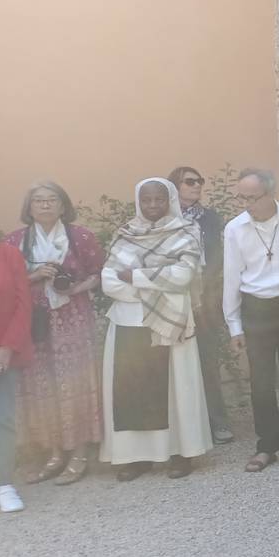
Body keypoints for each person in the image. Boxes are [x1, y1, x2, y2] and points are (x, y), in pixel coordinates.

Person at [99, 178, 213, 481]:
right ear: (138, 201)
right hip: (127, 323)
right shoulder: (124, 234)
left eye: (159, 200)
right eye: (146, 200)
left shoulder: (185, 232)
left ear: (169, 200)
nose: (152, 206)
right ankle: (136, 457)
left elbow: (182, 275)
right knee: (131, 392)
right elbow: (108, 282)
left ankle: (180, 453)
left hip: (169, 322)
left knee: (175, 389)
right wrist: (154, 283)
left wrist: (134, 278)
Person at [7, 181, 103, 486]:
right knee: (42, 386)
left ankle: (79, 451)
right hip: (35, 322)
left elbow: (101, 272)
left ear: (63, 206)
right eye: (38, 200)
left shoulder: (80, 236)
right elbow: (7, 284)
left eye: (52, 200)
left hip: (73, 319)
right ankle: (54, 451)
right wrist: (35, 276)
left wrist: (76, 286)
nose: (45, 205)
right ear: (29, 207)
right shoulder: (15, 241)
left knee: (74, 383)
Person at [222, 168, 279, 472]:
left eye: (253, 197)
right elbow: (231, 279)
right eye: (243, 198)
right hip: (255, 308)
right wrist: (234, 325)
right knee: (261, 383)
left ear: (270, 193)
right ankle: (266, 447)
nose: (247, 204)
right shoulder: (235, 229)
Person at [169, 166, 234, 443]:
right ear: (175, 186)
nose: (197, 186)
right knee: (176, 362)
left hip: (204, 296)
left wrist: (206, 285)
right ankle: (184, 427)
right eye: (189, 181)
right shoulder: (163, 218)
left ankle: (217, 421)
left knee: (207, 359)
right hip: (172, 295)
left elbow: (218, 255)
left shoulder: (209, 218)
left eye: (200, 181)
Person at [0, 239, 32, 513]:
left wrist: (8, 346)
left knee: (3, 418)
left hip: (3, 350)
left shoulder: (9, 255)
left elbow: (23, 303)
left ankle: (4, 484)